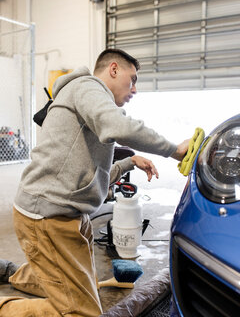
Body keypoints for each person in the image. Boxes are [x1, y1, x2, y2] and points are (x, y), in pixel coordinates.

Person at [0, 48, 189, 317]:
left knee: (82, 287)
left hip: (70, 216)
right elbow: (122, 128)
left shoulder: (90, 105)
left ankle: (12, 273)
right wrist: (174, 150)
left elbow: (91, 177)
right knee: (83, 311)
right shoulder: (88, 87)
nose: (134, 89)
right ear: (113, 69)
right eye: (132, 79)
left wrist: (129, 163)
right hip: (47, 218)